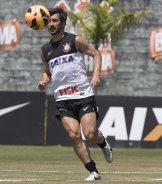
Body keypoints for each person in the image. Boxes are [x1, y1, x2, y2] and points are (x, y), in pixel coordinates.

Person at [38, 7, 113, 181]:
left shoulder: (74, 40)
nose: (51, 24)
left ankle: (102, 142)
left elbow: (96, 54)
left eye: (55, 20)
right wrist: (43, 82)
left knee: (90, 134)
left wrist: (95, 75)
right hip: (63, 99)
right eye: (49, 21)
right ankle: (93, 171)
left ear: (63, 23)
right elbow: (47, 72)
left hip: (83, 95)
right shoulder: (45, 50)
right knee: (74, 135)